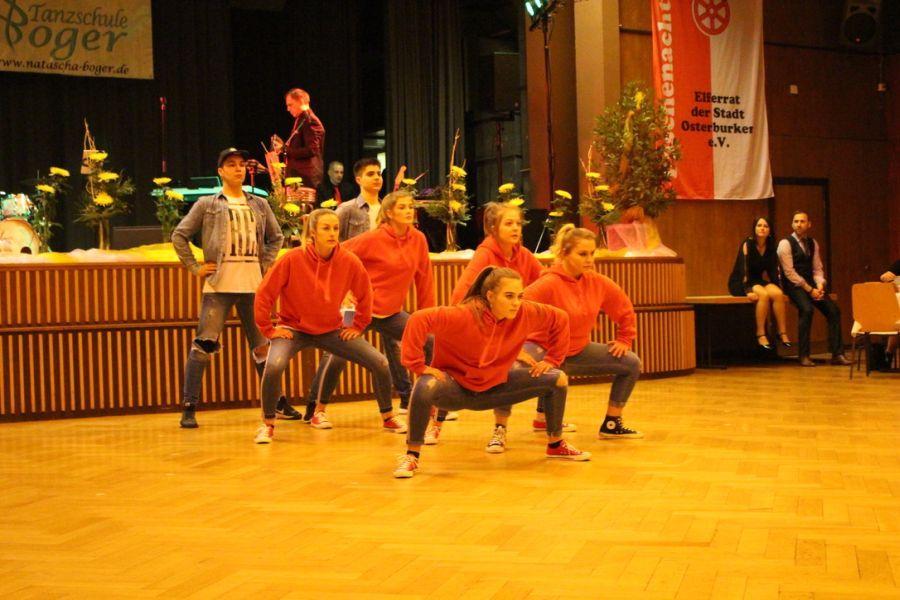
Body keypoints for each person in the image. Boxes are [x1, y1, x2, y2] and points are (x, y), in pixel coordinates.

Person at [394, 267, 590, 478]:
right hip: (456, 390)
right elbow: (418, 319)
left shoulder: (524, 312)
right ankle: (411, 455)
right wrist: (418, 365)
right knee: (425, 384)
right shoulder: (463, 314)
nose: (516, 302)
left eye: (519, 296)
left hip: (497, 388)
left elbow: (560, 318)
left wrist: (552, 360)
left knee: (557, 379)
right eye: (509, 296)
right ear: (490, 295)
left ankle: (555, 444)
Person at [252, 209, 405, 443]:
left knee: (380, 362)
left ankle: (388, 417)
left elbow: (365, 294)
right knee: (273, 366)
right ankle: (267, 424)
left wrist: (358, 325)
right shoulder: (292, 258)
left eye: (335, 228)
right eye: (326, 228)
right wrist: (269, 330)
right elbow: (264, 294)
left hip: (332, 330)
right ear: (313, 232)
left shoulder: (349, 260)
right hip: (293, 329)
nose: (333, 233)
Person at [172, 147, 297, 428]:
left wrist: (264, 263)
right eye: (231, 164)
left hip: (253, 286)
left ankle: (276, 403)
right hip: (219, 286)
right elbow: (179, 235)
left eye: (241, 164)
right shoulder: (207, 203)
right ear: (220, 171)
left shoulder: (259, 204)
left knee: (263, 347)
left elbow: (276, 236)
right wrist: (195, 266)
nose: (238, 169)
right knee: (203, 345)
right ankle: (189, 406)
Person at [302, 191, 435, 427]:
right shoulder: (374, 238)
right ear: (389, 213)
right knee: (338, 354)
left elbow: (424, 278)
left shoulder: (418, 239)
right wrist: (341, 292)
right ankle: (318, 411)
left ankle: (429, 401)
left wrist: (427, 317)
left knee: (430, 341)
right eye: (402, 207)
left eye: (410, 207)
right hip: (359, 309)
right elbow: (337, 253)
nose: (408, 211)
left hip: (391, 312)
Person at [511, 225, 643, 449]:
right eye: (582, 254)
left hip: (576, 351)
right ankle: (504, 427)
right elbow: (514, 311)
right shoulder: (548, 283)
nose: (589, 259)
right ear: (564, 254)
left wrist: (624, 338)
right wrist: (515, 348)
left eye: (592, 253)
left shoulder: (597, 282)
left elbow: (624, 308)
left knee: (631, 363)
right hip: (544, 349)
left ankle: (612, 424)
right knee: (512, 370)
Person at [776, 210, 850, 367]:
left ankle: (837, 354)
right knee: (807, 309)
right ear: (792, 224)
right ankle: (804, 355)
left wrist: (820, 285)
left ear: (809, 224)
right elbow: (789, 273)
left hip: (811, 285)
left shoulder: (813, 243)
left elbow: (817, 268)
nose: (799, 224)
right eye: (796, 221)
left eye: (802, 221)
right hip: (794, 285)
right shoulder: (785, 244)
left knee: (833, 310)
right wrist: (810, 290)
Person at [449, 202, 544, 304]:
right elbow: (460, 294)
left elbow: (545, 281)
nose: (515, 228)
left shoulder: (524, 254)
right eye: (509, 223)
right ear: (494, 228)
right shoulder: (484, 254)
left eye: (518, 223)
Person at [728, 217, 791, 350]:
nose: (762, 228)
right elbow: (743, 269)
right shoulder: (748, 244)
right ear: (754, 228)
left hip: (757, 280)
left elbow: (774, 271)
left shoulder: (771, 246)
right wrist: (748, 290)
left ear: (770, 230)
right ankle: (761, 333)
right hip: (741, 281)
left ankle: (782, 332)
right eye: (759, 225)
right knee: (763, 295)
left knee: (778, 294)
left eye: (765, 226)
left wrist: (781, 287)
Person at [272, 88, 325, 187]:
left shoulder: (309, 120)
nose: (288, 109)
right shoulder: (302, 119)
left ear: (301, 100)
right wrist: (283, 147)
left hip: (305, 179)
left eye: (290, 105)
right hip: (298, 178)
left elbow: (312, 150)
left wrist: (285, 149)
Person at [334, 158, 383, 241]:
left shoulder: (387, 209)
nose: (377, 177)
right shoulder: (347, 208)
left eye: (379, 174)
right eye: (370, 174)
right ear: (358, 180)